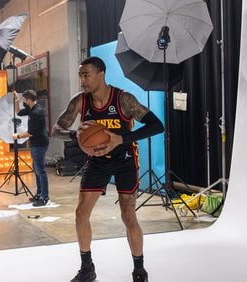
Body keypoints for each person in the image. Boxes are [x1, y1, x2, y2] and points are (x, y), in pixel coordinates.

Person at [52, 57, 164, 282]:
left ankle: (139, 270)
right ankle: (87, 268)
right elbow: (56, 129)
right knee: (80, 214)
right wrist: (76, 134)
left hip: (124, 160)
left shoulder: (123, 100)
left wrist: (121, 139)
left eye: (86, 75)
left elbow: (157, 125)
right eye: (80, 76)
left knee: (128, 215)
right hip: (97, 161)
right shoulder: (80, 102)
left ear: (101, 74)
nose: (82, 80)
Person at [12, 90, 50, 207]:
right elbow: (18, 113)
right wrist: (17, 101)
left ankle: (45, 197)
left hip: (40, 143)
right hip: (35, 143)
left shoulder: (37, 112)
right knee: (36, 169)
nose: (23, 102)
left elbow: (30, 132)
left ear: (29, 100)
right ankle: (39, 194)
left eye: (24, 100)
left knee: (40, 170)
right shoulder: (31, 109)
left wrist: (17, 136)